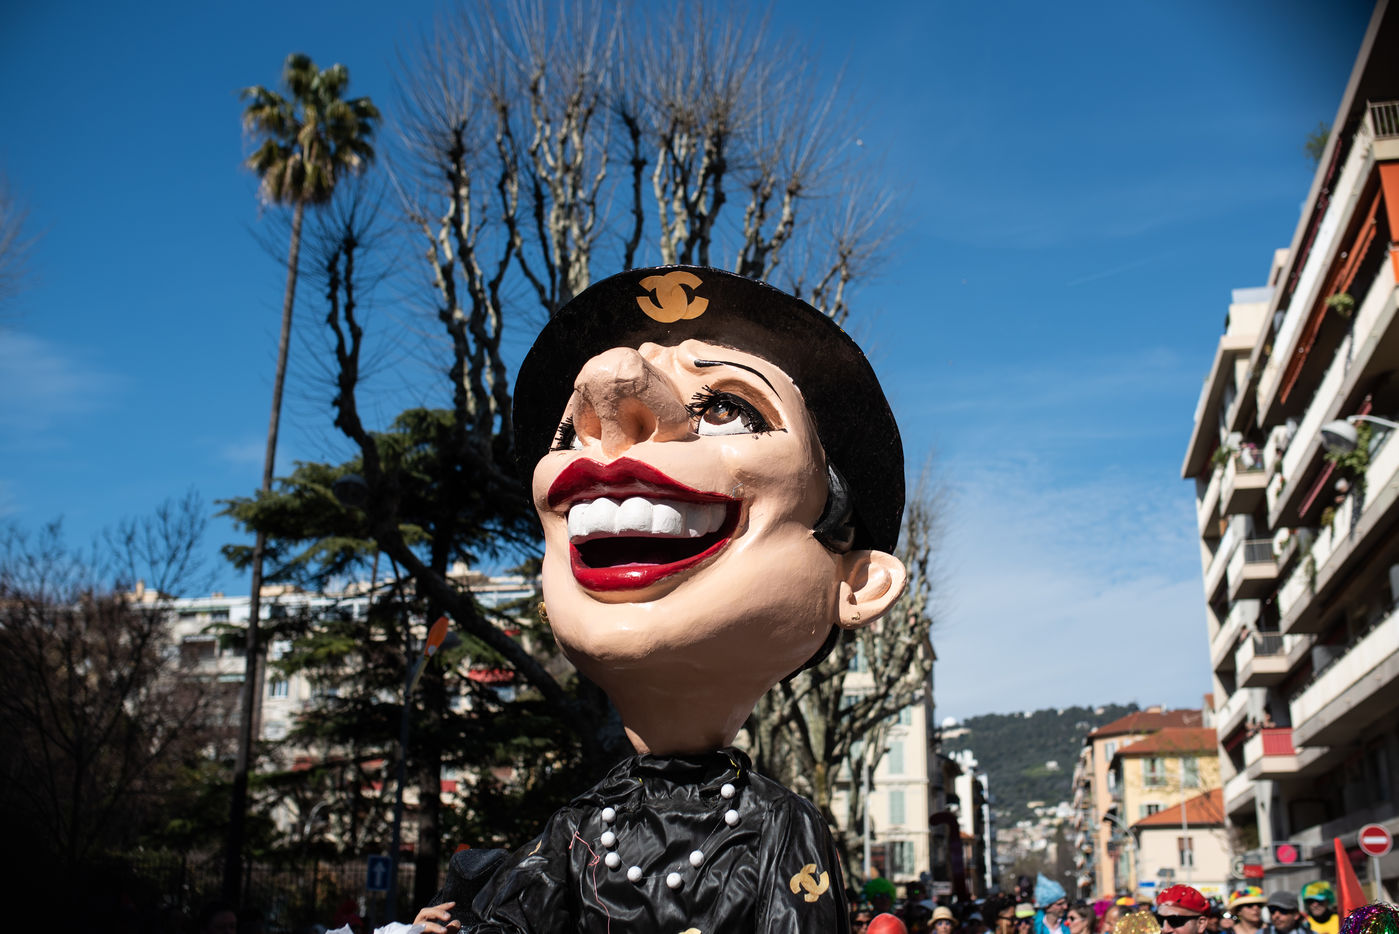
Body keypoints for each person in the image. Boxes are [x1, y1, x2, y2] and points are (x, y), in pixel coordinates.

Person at [430, 267, 908, 932]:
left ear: (857, 583)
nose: (608, 384)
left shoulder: (776, 827)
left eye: (724, 409)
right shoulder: (576, 827)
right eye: (569, 435)